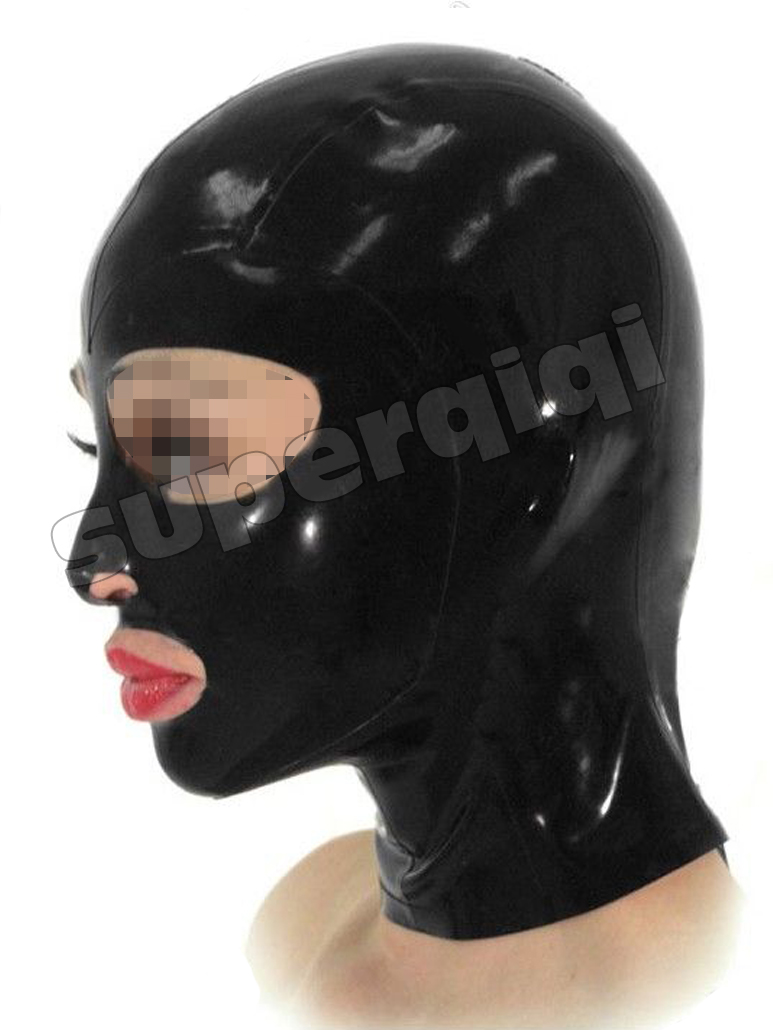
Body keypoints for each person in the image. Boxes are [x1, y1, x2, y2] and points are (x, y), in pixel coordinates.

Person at [65, 43, 743, 1028]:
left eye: (195, 448)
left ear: (524, 469)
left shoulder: (705, 1000)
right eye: (97, 442)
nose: (94, 562)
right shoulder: (297, 922)